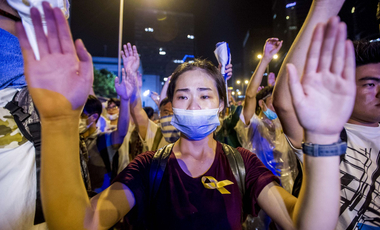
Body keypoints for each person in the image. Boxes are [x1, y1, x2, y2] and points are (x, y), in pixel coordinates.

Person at [19, 3, 356, 230]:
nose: (194, 105)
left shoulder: (244, 164)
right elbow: (83, 222)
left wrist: (324, 139)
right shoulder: (148, 167)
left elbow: (304, 224)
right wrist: (59, 121)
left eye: (205, 95)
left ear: (222, 107)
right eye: (183, 95)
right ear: (171, 105)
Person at [272, 0, 380, 229]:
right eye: (370, 84)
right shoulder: (327, 134)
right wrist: (323, 9)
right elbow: (285, 103)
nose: (379, 92)